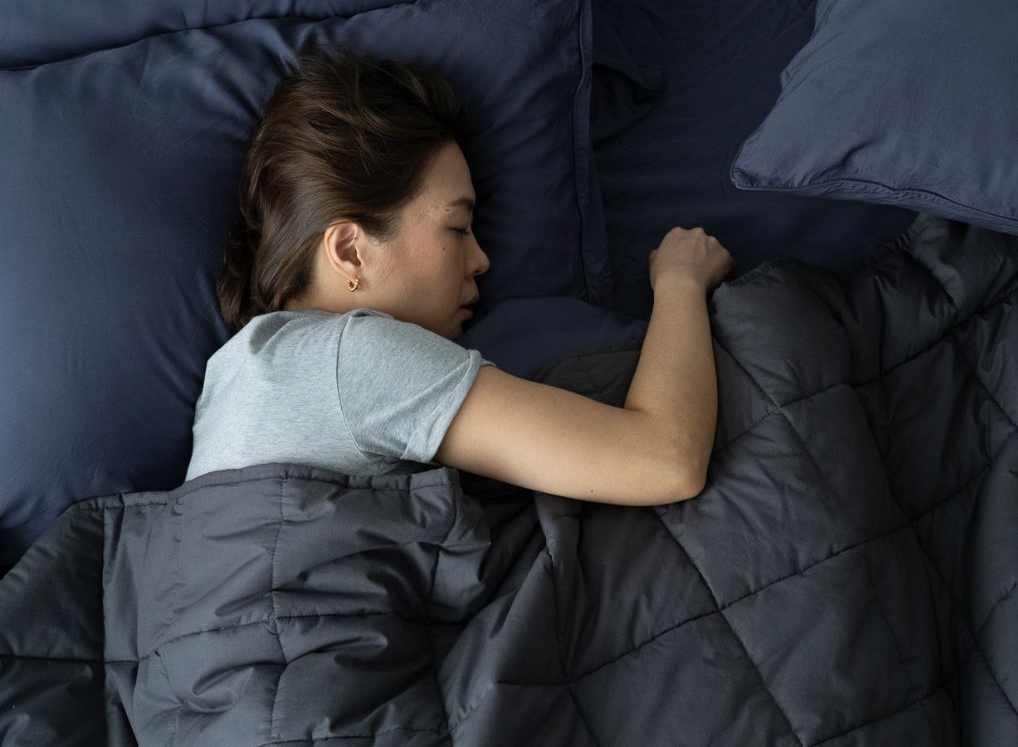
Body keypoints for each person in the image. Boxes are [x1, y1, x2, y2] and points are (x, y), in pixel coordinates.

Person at [186, 44, 734, 506]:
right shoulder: (354, 357)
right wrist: (680, 282)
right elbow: (665, 460)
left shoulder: (232, 375)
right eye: (457, 228)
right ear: (351, 251)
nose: (481, 260)